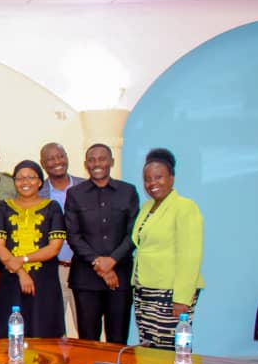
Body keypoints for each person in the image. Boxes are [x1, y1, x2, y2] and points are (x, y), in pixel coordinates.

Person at [64, 144, 139, 344]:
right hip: (86, 278)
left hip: (120, 277)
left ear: (111, 162)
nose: (97, 163)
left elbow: (133, 234)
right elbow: (73, 235)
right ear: (86, 164)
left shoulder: (128, 191)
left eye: (102, 159)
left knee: (118, 339)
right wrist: (99, 263)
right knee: (88, 341)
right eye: (92, 160)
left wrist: (112, 261)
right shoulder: (75, 194)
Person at [131, 148, 204, 349]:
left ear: (171, 178)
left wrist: (182, 298)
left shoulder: (185, 207)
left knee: (170, 348)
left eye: (158, 177)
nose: (152, 183)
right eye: (147, 179)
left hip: (170, 292)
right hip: (145, 290)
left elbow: (190, 256)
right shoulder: (147, 207)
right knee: (149, 346)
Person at [0, 160, 66, 339]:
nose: (25, 182)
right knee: (11, 332)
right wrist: (21, 272)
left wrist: (22, 259)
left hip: (44, 282)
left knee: (44, 329)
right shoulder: (4, 207)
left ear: (40, 181)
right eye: (20, 178)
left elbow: (54, 248)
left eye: (31, 177)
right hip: (11, 281)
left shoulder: (52, 207)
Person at [38, 142, 87, 339]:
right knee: (52, 330)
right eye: (50, 158)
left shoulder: (86, 186)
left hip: (83, 269)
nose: (57, 161)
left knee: (87, 330)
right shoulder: (37, 192)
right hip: (53, 270)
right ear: (43, 164)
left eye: (60, 156)